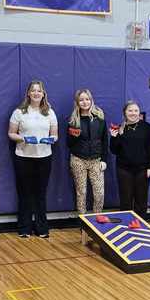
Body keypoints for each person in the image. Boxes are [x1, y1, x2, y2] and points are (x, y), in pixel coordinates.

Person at [8, 80, 58, 238]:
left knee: (40, 193)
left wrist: (51, 140)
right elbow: (11, 133)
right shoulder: (19, 112)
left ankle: (42, 228)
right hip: (23, 157)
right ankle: (24, 228)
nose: (36, 93)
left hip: (44, 157)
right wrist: (23, 139)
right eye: (33, 90)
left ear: (43, 94)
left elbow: (55, 135)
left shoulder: (49, 112)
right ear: (28, 93)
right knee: (25, 193)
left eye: (39, 91)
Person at [109, 101, 150, 219]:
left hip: (142, 169)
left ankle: (141, 225)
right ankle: (126, 224)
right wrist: (114, 138)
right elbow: (114, 150)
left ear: (139, 113)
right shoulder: (120, 128)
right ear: (125, 113)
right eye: (130, 110)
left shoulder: (148, 128)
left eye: (136, 110)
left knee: (141, 199)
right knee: (125, 199)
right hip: (124, 169)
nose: (133, 113)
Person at [67, 88, 108, 217]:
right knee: (81, 192)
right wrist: (74, 135)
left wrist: (104, 160)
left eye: (87, 99)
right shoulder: (73, 120)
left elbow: (104, 141)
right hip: (78, 159)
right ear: (77, 102)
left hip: (96, 160)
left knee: (99, 193)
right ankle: (83, 223)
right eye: (81, 100)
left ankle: (97, 221)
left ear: (91, 100)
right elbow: (69, 144)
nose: (84, 102)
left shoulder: (99, 118)